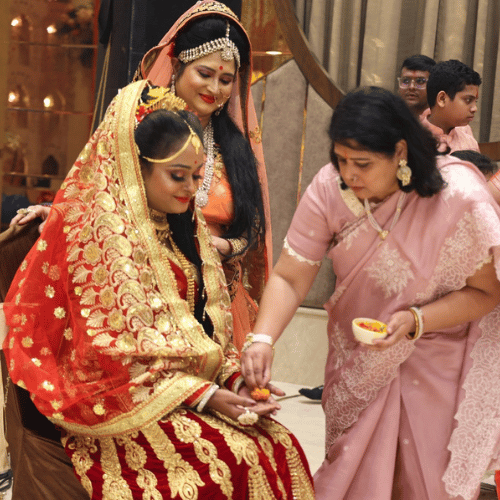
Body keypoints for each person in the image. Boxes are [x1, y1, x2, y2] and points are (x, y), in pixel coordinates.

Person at [3, 80, 314, 499]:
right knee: (233, 459)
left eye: (196, 176)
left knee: (279, 443)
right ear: (136, 167)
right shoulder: (103, 236)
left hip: (176, 390)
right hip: (115, 403)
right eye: (177, 176)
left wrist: (236, 379)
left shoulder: (181, 228)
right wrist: (206, 395)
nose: (190, 189)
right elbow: (111, 355)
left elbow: (202, 329)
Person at [241, 86, 500, 500]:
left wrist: (416, 320)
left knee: (426, 485)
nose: (350, 175)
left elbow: (486, 293)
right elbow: (290, 276)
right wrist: (262, 339)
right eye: (341, 160)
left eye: (362, 163)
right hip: (358, 359)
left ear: (400, 152)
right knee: (353, 477)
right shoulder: (329, 188)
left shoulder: (458, 197)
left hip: (435, 365)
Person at [11, 1, 271, 353]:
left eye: (226, 80)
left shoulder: (235, 147)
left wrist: (222, 247)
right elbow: (102, 193)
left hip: (217, 302)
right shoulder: (137, 127)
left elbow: (250, 228)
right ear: (177, 65)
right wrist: (57, 212)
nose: (215, 88)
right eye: (204, 73)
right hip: (144, 292)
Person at [421, 59, 481, 153]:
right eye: (468, 100)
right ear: (442, 99)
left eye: (475, 101)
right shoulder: (412, 139)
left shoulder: (469, 143)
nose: (474, 109)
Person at [397, 54, 436, 118]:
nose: (411, 87)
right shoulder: (387, 119)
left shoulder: (442, 122)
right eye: (406, 80)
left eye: (420, 81)